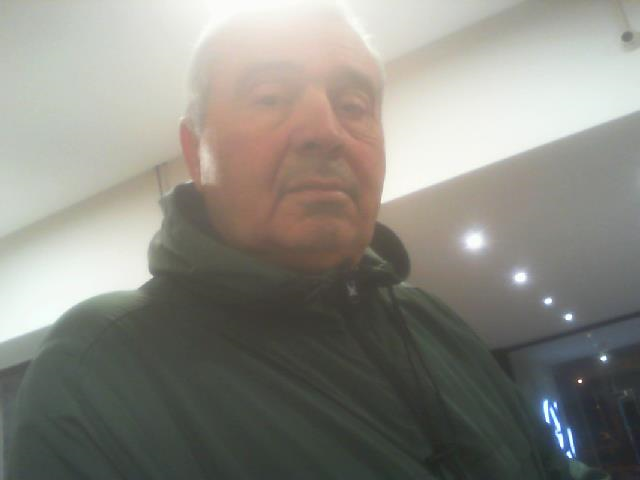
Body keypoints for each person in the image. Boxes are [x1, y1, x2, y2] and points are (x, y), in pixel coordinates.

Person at [8, 3, 608, 479]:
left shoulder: (434, 322)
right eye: (270, 97)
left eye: (354, 105)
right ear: (195, 151)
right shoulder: (102, 368)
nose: (326, 131)